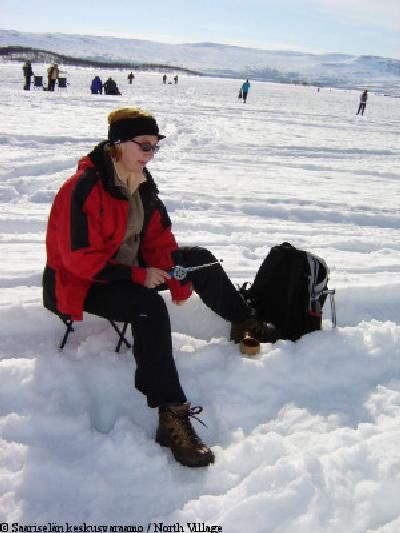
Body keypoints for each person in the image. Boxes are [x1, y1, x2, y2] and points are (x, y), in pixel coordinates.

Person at [42, 107, 276, 468]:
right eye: (145, 145)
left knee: (199, 259)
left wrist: (174, 273)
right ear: (119, 144)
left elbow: (158, 238)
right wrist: (140, 276)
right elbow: (77, 259)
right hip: (82, 283)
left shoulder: (140, 183)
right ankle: (171, 415)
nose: (151, 154)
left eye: (155, 146)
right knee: (148, 306)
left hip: (127, 269)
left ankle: (244, 321)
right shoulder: (82, 188)